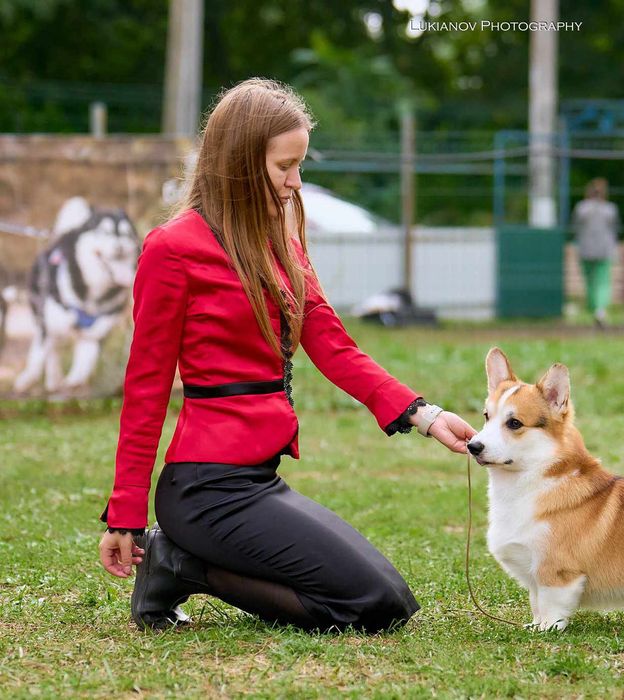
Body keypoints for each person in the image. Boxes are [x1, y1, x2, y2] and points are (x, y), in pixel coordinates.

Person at [97, 78, 477, 635]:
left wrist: (427, 415)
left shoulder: (282, 241)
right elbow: (147, 386)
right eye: (284, 167)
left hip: (259, 479)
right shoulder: (172, 249)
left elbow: (335, 347)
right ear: (240, 162)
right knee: (368, 605)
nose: (295, 183)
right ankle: (178, 561)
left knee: (390, 597)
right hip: (204, 488)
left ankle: (184, 561)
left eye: (299, 165)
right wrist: (126, 512)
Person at [571, 178, 620, 329]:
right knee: (603, 282)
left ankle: (594, 308)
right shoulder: (610, 209)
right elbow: (616, 229)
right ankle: (600, 311)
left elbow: (575, 227)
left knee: (590, 282)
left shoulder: (581, 208)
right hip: (604, 251)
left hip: (586, 250)